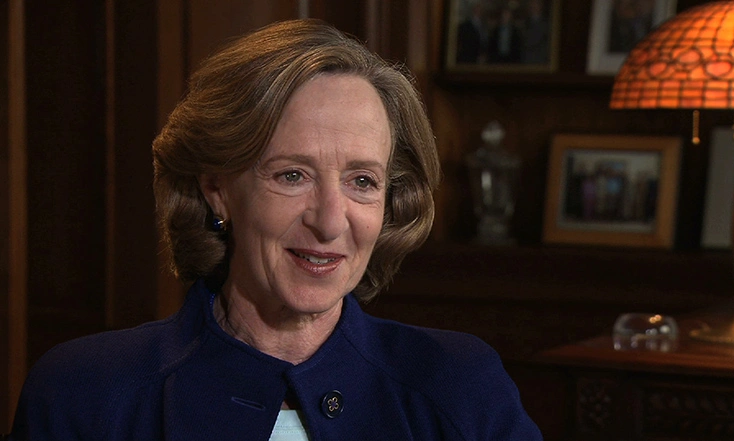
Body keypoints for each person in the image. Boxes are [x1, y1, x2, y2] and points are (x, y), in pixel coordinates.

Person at [8, 19, 543, 440]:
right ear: (217, 188)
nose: (331, 220)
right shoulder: (85, 392)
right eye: (292, 175)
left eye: (362, 181)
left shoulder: (460, 387)